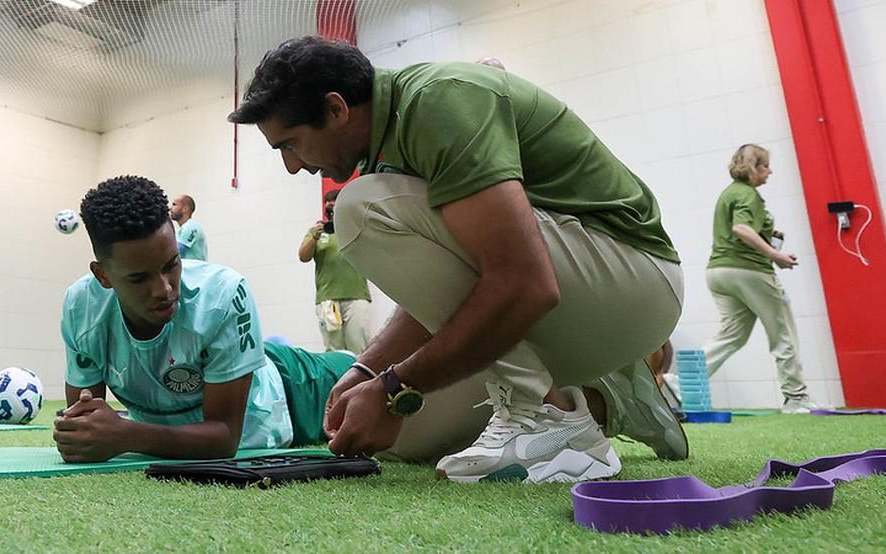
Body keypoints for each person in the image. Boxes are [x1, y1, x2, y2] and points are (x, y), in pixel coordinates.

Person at [229, 36, 686, 483]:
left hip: (636, 276)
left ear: (335, 109)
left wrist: (394, 389)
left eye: (289, 144)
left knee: (359, 208)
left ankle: (553, 416)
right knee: (401, 437)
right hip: (579, 300)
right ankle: (605, 398)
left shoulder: (438, 102)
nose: (292, 166)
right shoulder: (385, 150)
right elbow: (453, 285)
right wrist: (368, 372)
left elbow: (524, 283)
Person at [53, 175, 356, 462]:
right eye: (139, 278)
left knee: (364, 377)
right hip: (216, 385)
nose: (164, 289)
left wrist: (129, 435)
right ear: (103, 276)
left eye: (171, 264)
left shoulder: (223, 293)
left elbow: (224, 436)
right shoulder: (82, 308)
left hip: (294, 392)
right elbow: (84, 419)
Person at [702, 144, 823, 414]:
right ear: (752, 167)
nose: (770, 171)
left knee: (731, 335)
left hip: (718, 272)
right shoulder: (748, 195)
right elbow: (741, 228)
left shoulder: (729, 193)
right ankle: (796, 398)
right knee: (783, 332)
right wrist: (775, 255)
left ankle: (678, 385)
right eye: (765, 165)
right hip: (749, 271)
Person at [298, 189, 373, 353]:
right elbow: (303, 256)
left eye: (334, 207)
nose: (331, 212)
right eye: (328, 208)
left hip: (357, 296)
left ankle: (361, 378)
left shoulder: (354, 227)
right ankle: (338, 379)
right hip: (328, 300)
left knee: (360, 347)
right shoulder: (316, 231)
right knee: (334, 350)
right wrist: (315, 237)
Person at [170, 194, 208, 261]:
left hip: (195, 270)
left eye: (174, 204)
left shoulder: (191, 227)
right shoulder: (181, 229)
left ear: (185, 209)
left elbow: (177, 251)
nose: (170, 208)